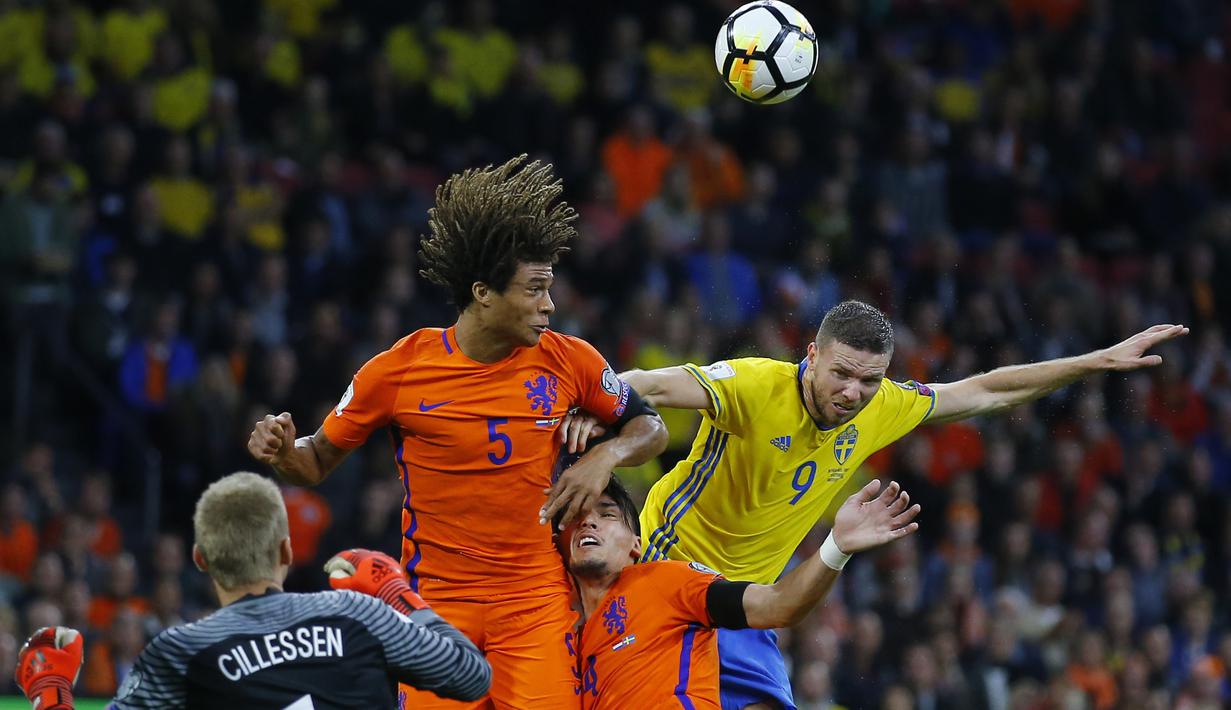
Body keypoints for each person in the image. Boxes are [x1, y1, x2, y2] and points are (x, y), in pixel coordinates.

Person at [562, 299, 1186, 709]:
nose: (854, 392)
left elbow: (985, 391)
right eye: (842, 374)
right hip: (668, 581)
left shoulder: (881, 404)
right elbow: (650, 383)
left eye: (870, 378)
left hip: (749, 602)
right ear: (811, 356)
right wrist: (593, 411)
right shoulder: (754, 386)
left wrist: (1097, 361)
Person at [247, 155, 668, 708]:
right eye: (535, 289)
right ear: (483, 293)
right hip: (438, 606)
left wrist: (606, 455)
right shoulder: (398, 370)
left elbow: (650, 427)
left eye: (550, 288)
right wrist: (283, 450)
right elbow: (316, 462)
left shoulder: (571, 360)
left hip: (535, 604)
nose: (550, 305)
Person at [13, 471, 491, 709]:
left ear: (200, 561)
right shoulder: (359, 613)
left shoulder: (181, 650)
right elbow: (474, 677)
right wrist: (400, 597)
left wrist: (50, 690)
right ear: (286, 551)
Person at [561, 475, 919, 708]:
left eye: (607, 514)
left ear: (636, 546)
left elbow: (776, 605)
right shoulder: (566, 636)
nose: (589, 521)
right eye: (580, 516)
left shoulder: (666, 582)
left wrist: (836, 547)